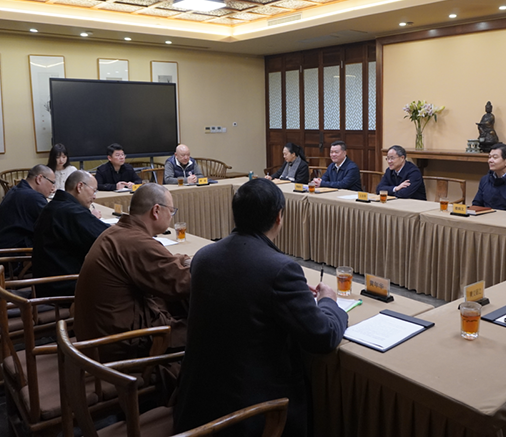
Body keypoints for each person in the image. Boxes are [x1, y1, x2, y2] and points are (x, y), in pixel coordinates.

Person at [173, 179, 347, 436]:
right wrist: (328, 300)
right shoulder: (280, 269)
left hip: (195, 403)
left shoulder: (204, 257)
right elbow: (323, 336)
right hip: (249, 415)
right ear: (279, 217)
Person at [74, 183, 190, 361]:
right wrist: (209, 265)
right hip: (118, 345)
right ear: (156, 211)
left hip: (96, 335)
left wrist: (185, 260)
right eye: (171, 211)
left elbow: (163, 264)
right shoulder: (136, 241)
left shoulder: (119, 231)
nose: (171, 216)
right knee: (210, 328)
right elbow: (178, 283)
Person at [32, 171, 109, 297]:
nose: (94, 196)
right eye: (94, 191)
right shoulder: (71, 212)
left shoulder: (56, 205)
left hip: (47, 283)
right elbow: (107, 237)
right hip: (63, 286)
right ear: (80, 187)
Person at [0, 165, 55, 251]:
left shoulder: (16, 189)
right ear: (39, 179)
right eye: (52, 182)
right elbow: (53, 223)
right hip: (9, 255)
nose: (53, 188)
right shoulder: (33, 197)